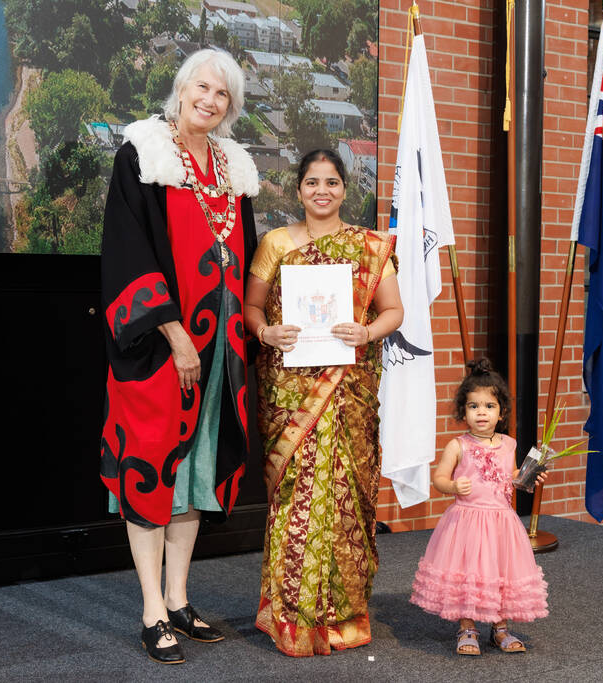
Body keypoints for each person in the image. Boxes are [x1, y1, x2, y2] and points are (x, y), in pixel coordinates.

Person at [98, 48, 259, 665]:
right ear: (181, 88)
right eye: (203, 87)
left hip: (221, 349)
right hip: (160, 347)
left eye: (223, 95)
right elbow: (128, 251)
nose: (211, 101)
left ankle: (180, 597)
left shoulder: (234, 168)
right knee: (153, 466)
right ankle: (151, 612)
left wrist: (258, 330)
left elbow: (241, 261)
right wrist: (174, 335)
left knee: (197, 468)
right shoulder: (142, 155)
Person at [244, 149, 404, 657]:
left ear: (343, 189)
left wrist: (366, 330)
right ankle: (291, 617)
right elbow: (250, 307)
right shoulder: (274, 243)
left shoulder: (369, 247)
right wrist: (266, 331)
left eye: (331, 182)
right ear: (298, 190)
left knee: (343, 496)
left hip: (347, 389)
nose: (322, 191)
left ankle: (344, 617)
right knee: (296, 496)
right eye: (312, 182)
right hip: (290, 392)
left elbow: (394, 311)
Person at [410, 358, 549, 655]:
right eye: (474, 407)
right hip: (467, 524)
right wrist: (452, 486)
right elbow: (439, 478)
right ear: (464, 411)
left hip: (501, 523)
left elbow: (510, 477)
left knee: (501, 573)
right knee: (469, 574)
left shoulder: (509, 444)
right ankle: (467, 627)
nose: (481, 413)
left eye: (489, 406)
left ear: (501, 413)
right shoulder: (457, 445)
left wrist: (528, 475)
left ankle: (499, 629)